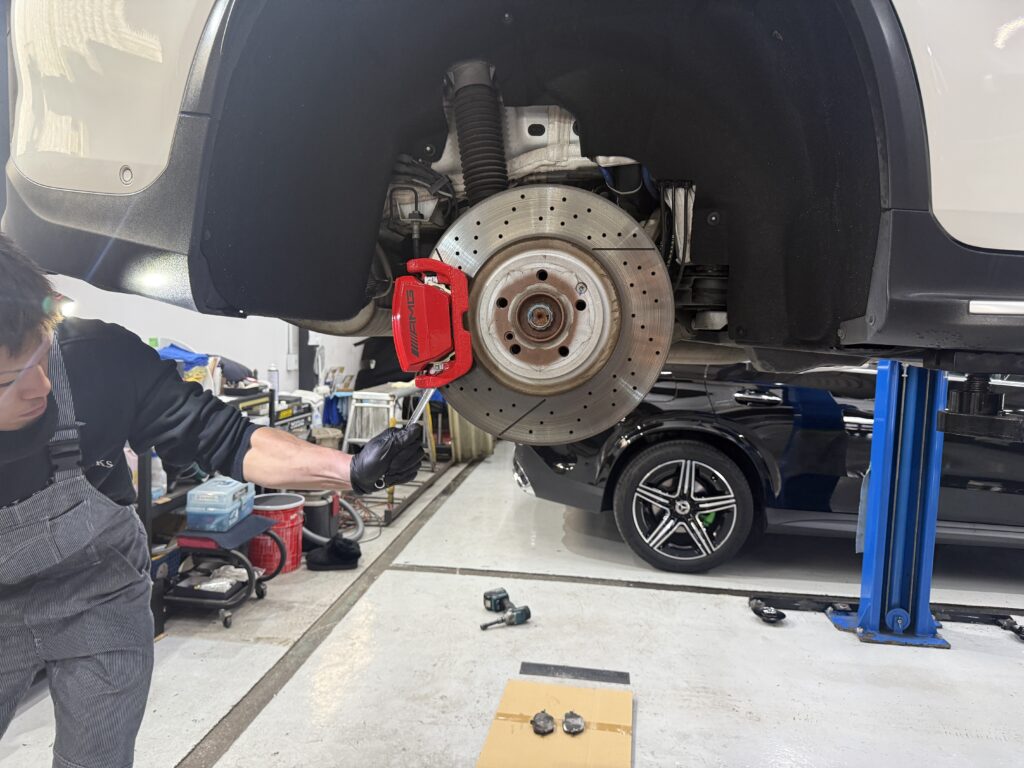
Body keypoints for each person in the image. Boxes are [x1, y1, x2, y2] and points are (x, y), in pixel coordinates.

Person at [0, 236, 423, 768]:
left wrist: (351, 470)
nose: (40, 385)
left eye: (42, 352)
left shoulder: (96, 359)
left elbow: (226, 437)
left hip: (97, 596)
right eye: (10, 378)